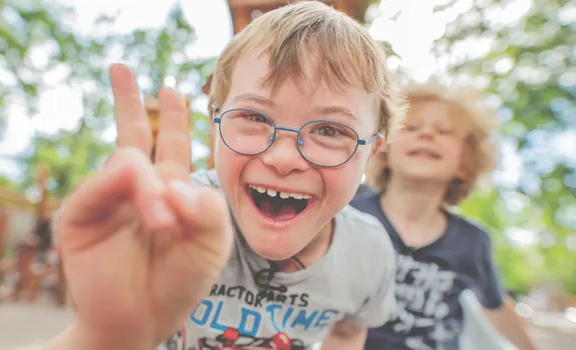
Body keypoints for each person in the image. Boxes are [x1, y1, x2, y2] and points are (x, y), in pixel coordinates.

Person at [46, 2, 405, 349]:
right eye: (255, 118)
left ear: (371, 152)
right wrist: (106, 337)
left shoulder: (368, 255)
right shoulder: (164, 222)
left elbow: (347, 332)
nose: (283, 158)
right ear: (216, 124)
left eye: (329, 130)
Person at [351, 83, 538, 350]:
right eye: (411, 127)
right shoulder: (350, 215)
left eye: (444, 131)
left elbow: (496, 306)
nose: (427, 134)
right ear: (384, 151)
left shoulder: (472, 241)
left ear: (464, 164)